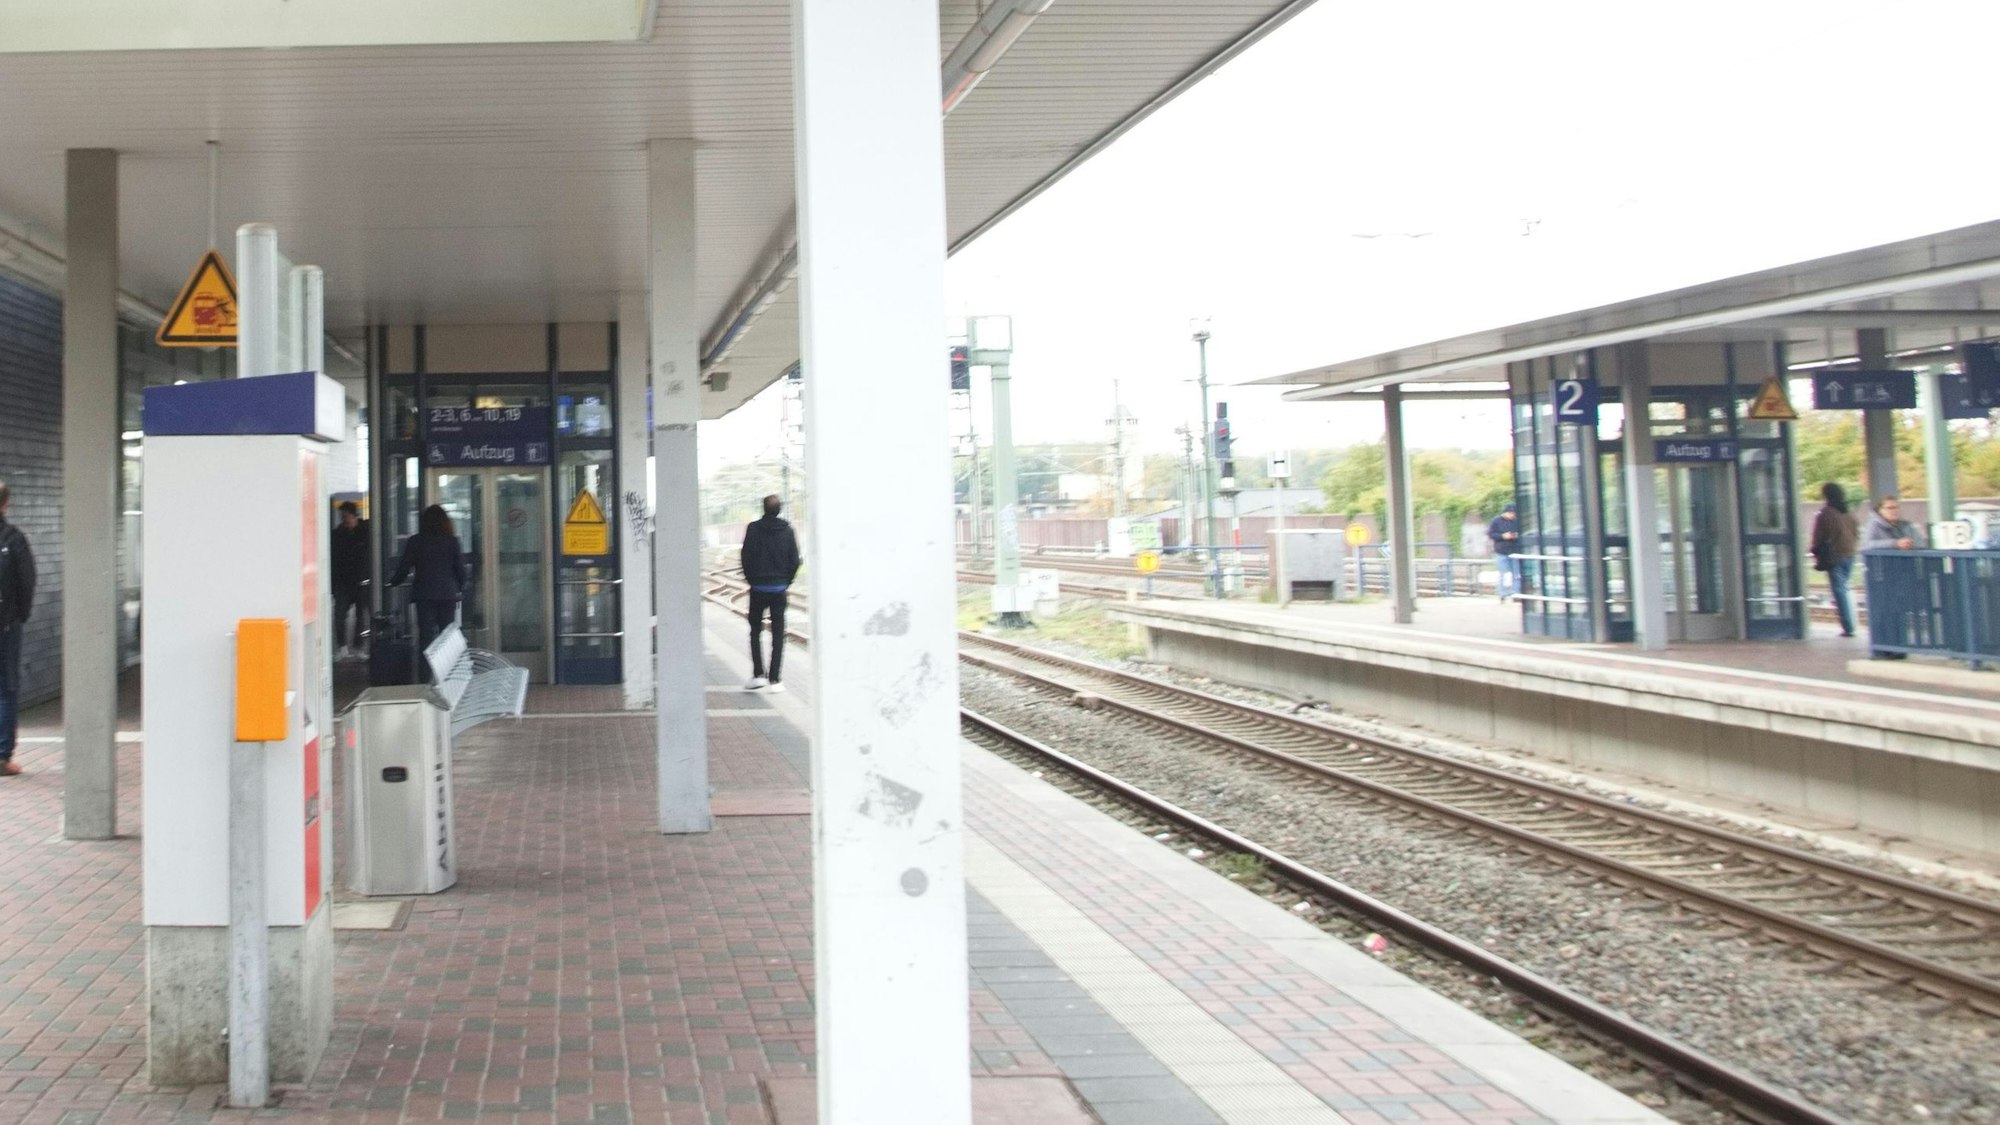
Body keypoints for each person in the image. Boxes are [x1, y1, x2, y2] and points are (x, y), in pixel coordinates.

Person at [390, 504, 469, 658]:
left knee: (426, 637)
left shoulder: (416, 541)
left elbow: (404, 567)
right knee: (447, 637)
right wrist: (460, 588)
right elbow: (460, 569)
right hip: (447, 595)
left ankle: (426, 670)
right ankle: (445, 669)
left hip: (424, 594)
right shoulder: (452, 541)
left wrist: (394, 582)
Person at [741, 494, 801, 693]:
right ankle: (775, 680)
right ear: (780, 509)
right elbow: (795, 560)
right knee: (778, 634)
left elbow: (745, 557)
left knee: (755, 631)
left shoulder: (753, 529)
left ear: (763, 509)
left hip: (758, 589)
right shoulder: (788, 531)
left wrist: (752, 580)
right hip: (779, 590)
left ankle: (758, 675)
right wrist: (786, 582)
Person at [0, 480, 35, 778]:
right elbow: (27, 580)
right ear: (6, 504)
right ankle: (2, 756)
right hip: (6, 625)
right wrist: (19, 615)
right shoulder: (13, 538)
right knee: (6, 688)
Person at [1861, 496, 1921, 660]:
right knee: (1882, 611)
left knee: (1898, 610)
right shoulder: (1874, 525)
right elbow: (1867, 545)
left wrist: (1910, 544)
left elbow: (1919, 542)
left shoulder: (1903, 525)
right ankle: (1881, 649)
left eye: (1896, 507)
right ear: (1880, 510)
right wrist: (1894, 544)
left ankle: (1898, 647)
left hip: (1899, 575)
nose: (1894, 511)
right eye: (1890, 508)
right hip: (1880, 576)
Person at [1808, 482, 1860, 637]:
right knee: (1844, 588)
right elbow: (1856, 534)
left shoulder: (1825, 514)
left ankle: (1848, 627)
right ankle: (1851, 624)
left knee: (1839, 591)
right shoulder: (1849, 513)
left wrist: (1815, 550)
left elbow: (1818, 537)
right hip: (1850, 554)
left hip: (1834, 556)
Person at [331, 501, 370, 660]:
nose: (343, 519)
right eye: (342, 516)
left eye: (346, 516)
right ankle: (343, 647)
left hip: (360, 580)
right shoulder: (338, 535)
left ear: (354, 515)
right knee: (340, 615)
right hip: (344, 581)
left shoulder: (365, 532)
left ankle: (357, 647)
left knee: (360, 616)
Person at [1487, 502, 1522, 602]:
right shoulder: (1496, 521)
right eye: (1511, 513)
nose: (1512, 515)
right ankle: (1502, 594)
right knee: (1503, 574)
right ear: (1505, 512)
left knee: (1517, 574)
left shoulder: (1516, 521)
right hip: (1501, 551)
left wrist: (1515, 535)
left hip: (1514, 551)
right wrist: (1502, 536)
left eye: (1514, 514)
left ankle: (1516, 593)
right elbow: (1490, 534)